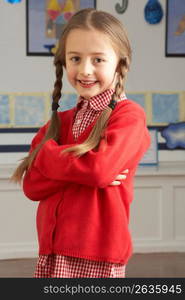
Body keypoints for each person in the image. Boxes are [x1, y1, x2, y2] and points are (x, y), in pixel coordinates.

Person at [11, 8, 151, 278]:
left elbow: (99, 170)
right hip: (52, 250)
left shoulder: (129, 117)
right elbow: (32, 185)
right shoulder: (59, 122)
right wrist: (85, 170)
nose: (85, 70)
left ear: (120, 64)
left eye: (98, 59)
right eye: (75, 58)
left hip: (98, 255)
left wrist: (48, 156)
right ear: (64, 61)